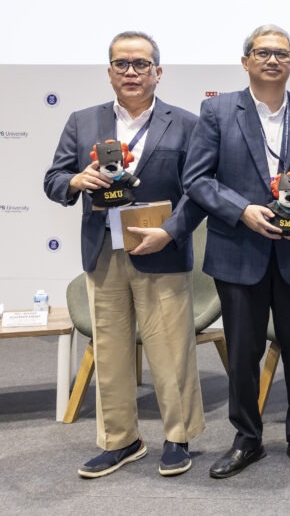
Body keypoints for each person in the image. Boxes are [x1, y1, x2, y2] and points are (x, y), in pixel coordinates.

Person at [43, 31, 206, 478]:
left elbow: (199, 192)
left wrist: (170, 232)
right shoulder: (82, 121)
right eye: (121, 64)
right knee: (110, 352)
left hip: (161, 250)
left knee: (171, 351)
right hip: (103, 253)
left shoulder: (186, 123)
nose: (131, 72)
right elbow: (54, 180)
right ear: (109, 71)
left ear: (158, 71)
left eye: (140, 64)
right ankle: (121, 441)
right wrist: (76, 181)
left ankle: (178, 437)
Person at [182, 24, 290, 478]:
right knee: (243, 355)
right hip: (238, 252)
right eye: (262, 52)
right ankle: (247, 438)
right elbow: (197, 179)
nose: (272, 60)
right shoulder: (217, 110)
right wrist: (242, 210)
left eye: (281, 53)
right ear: (246, 60)